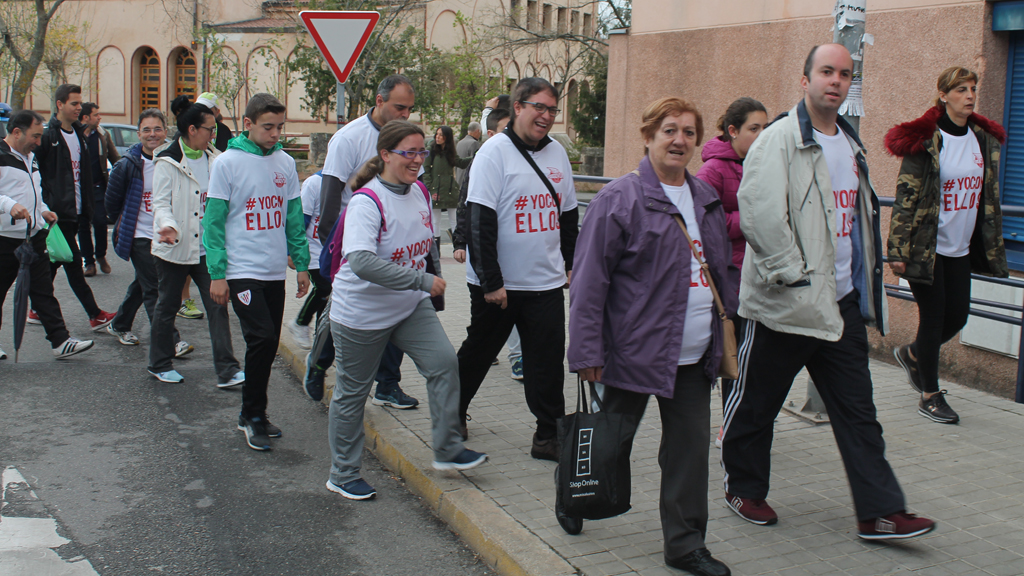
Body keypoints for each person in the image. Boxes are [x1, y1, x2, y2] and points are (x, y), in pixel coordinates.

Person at [720, 44, 936, 540]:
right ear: (805, 80)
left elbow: (856, 222)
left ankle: (880, 511)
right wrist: (793, 274)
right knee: (755, 406)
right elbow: (758, 213)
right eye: (826, 72)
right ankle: (743, 488)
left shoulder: (851, 143)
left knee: (860, 414)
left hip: (839, 308)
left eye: (844, 74)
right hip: (784, 305)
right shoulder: (777, 140)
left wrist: (865, 284)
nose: (835, 81)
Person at [569, 96, 735, 576]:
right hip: (631, 354)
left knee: (689, 452)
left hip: (692, 357)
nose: (679, 139)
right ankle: (573, 496)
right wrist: (586, 351)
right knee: (608, 443)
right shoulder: (619, 199)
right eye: (669, 130)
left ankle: (685, 545)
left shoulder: (704, 198)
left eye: (688, 131)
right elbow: (588, 283)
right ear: (648, 137)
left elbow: (720, 270)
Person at [326, 119, 487, 500]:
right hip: (361, 314)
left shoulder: (420, 193)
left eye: (422, 152)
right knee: (352, 393)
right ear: (385, 155)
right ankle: (343, 473)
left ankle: (447, 450)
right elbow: (362, 262)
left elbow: (425, 244)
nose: (418, 160)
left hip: (408, 307)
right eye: (409, 152)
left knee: (444, 363)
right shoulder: (367, 201)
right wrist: (421, 282)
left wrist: (429, 284)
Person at [457, 78, 579, 460]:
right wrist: (492, 280)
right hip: (499, 286)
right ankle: (451, 412)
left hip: (544, 281)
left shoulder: (557, 154)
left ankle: (548, 435)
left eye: (552, 109)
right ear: (518, 107)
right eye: (538, 107)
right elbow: (479, 220)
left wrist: (572, 264)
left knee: (546, 362)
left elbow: (569, 215)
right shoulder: (494, 153)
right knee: (479, 353)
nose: (545, 116)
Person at [886, 66, 1008, 424]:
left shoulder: (981, 138)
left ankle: (913, 355)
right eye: (961, 90)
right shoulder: (926, 140)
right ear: (943, 95)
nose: (970, 95)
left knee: (958, 316)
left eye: (972, 89)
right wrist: (898, 251)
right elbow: (905, 196)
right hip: (929, 247)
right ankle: (929, 395)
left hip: (961, 247)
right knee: (935, 316)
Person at [304, 75, 420, 408]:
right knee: (343, 314)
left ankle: (387, 385)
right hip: (351, 244)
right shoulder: (349, 139)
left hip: (393, 243)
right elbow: (328, 205)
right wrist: (334, 258)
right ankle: (318, 364)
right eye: (399, 107)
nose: (404, 115)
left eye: (410, 109)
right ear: (380, 101)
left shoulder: (406, 140)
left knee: (396, 309)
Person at [203, 93, 310, 451]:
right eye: (268, 127)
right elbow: (214, 223)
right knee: (261, 339)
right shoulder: (227, 163)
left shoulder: (284, 163)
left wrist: (301, 262)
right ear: (248, 124)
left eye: (280, 127)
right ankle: (251, 415)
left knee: (266, 344)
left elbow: (293, 216)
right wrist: (217, 273)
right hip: (241, 269)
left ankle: (255, 413)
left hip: (272, 270)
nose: (275, 134)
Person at [148, 101, 245, 388]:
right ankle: (159, 363)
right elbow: (160, 203)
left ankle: (227, 369)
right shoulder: (167, 161)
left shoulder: (217, 159)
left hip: (207, 249)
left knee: (218, 306)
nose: (213, 135)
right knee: (167, 306)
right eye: (209, 129)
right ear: (192, 130)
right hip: (174, 248)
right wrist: (168, 226)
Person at [694, 96, 767, 448]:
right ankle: (729, 425)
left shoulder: (764, 162)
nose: (761, 135)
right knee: (732, 357)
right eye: (754, 129)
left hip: (759, 275)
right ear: (733, 130)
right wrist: (750, 222)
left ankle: (739, 423)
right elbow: (705, 222)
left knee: (753, 360)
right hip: (730, 277)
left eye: (765, 128)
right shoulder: (712, 170)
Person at [0, 109, 93, 359]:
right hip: (4, 239)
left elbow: (33, 192)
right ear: (16, 132)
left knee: (42, 291)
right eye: (35, 136)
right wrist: (9, 206)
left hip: (33, 236)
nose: (39, 142)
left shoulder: (30, 156)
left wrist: (43, 210)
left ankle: (60, 341)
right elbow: (9, 198)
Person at [104, 109, 191, 362]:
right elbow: (112, 203)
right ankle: (171, 341)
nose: (152, 135)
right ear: (139, 133)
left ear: (166, 131)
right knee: (155, 287)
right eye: (146, 130)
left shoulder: (175, 159)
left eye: (157, 129)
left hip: (166, 235)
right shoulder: (127, 164)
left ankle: (119, 324)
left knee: (143, 283)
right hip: (139, 235)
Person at [35, 83, 115, 331]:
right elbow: (39, 173)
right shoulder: (49, 137)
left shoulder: (80, 134)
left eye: (80, 103)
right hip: (59, 212)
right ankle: (95, 314)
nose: (79, 108)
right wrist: (46, 206)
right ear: (60, 105)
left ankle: (36, 308)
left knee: (54, 263)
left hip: (80, 209)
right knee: (73, 262)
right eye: (74, 104)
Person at [452, 106, 523, 380]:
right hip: (485, 264)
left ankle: (517, 357)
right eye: (507, 130)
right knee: (484, 325)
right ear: (491, 134)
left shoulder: (524, 160)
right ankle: (455, 403)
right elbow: (465, 207)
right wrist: (460, 241)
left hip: (517, 267)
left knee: (515, 316)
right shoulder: (482, 161)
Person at [78, 102, 119, 277]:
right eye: (96, 115)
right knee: (82, 227)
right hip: (79, 189)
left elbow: (115, 158)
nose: (99, 117)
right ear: (86, 118)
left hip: (98, 187)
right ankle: (89, 263)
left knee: (101, 222)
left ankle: (101, 255)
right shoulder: (75, 136)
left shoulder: (103, 135)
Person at [286, 170, 325, 351]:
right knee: (325, 288)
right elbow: (301, 219)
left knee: (328, 299)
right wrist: (293, 251)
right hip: (313, 251)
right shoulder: (314, 183)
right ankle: (300, 322)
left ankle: (320, 343)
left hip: (333, 252)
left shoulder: (351, 183)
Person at [422, 125, 471, 242]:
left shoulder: (450, 152)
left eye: (441, 135)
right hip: (436, 190)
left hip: (450, 189)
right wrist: (431, 190)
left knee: (454, 219)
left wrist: (475, 156)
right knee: (435, 221)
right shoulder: (431, 151)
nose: (437, 137)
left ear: (447, 137)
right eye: (437, 134)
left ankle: (457, 246)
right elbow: (426, 172)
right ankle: (436, 248)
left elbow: (460, 163)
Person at [455, 121, 482, 185]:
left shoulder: (459, 143)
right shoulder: (474, 143)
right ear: (477, 131)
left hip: (458, 180)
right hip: (467, 181)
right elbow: (475, 163)